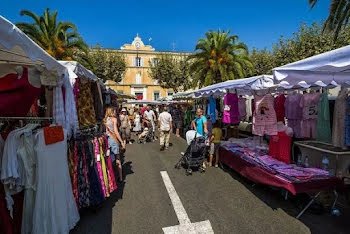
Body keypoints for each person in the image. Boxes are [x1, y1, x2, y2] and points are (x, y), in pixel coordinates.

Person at [104, 107, 126, 182]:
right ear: (111, 112)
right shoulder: (114, 119)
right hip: (113, 140)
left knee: (108, 158)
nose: (115, 112)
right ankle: (120, 177)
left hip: (106, 141)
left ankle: (110, 177)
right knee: (117, 158)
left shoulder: (104, 120)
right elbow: (116, 132)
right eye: (114, 111)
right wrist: (121, 141)